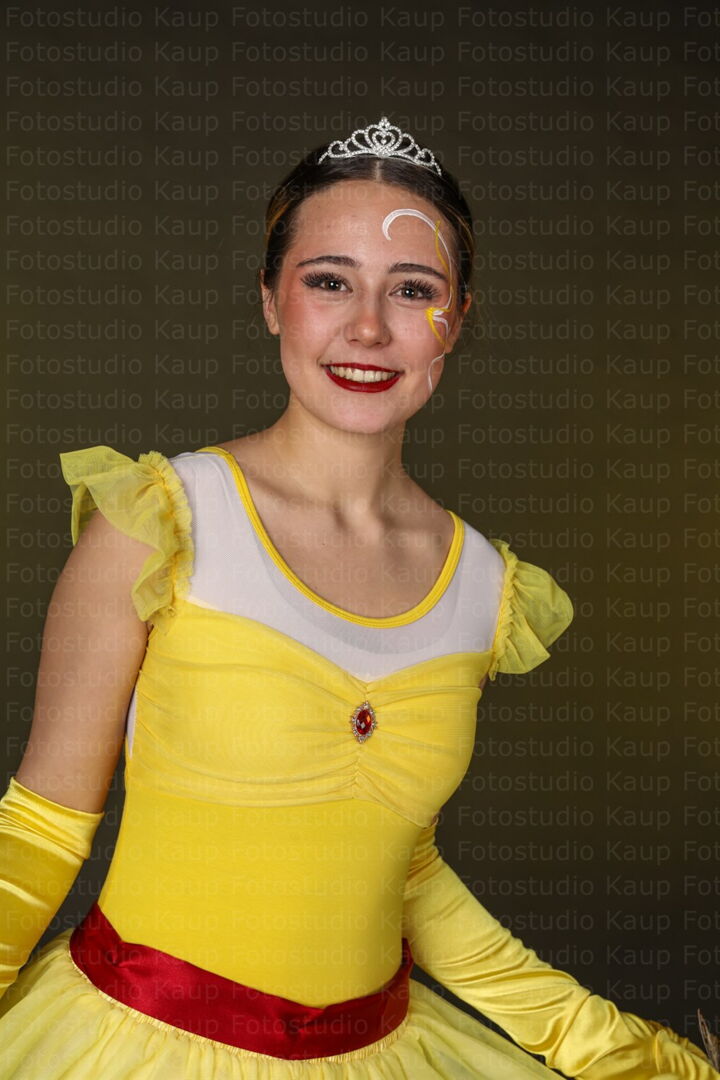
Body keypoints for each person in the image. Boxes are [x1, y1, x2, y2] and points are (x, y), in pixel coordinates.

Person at [0, 116, 716, 1080]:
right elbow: (40, 833)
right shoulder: (162, 522)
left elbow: (403, 870)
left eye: (412, 289)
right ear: (270, 299)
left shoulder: (484, 585)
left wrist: (613, 1051)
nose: (369, 328)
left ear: (457, 317)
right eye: (329, 281)